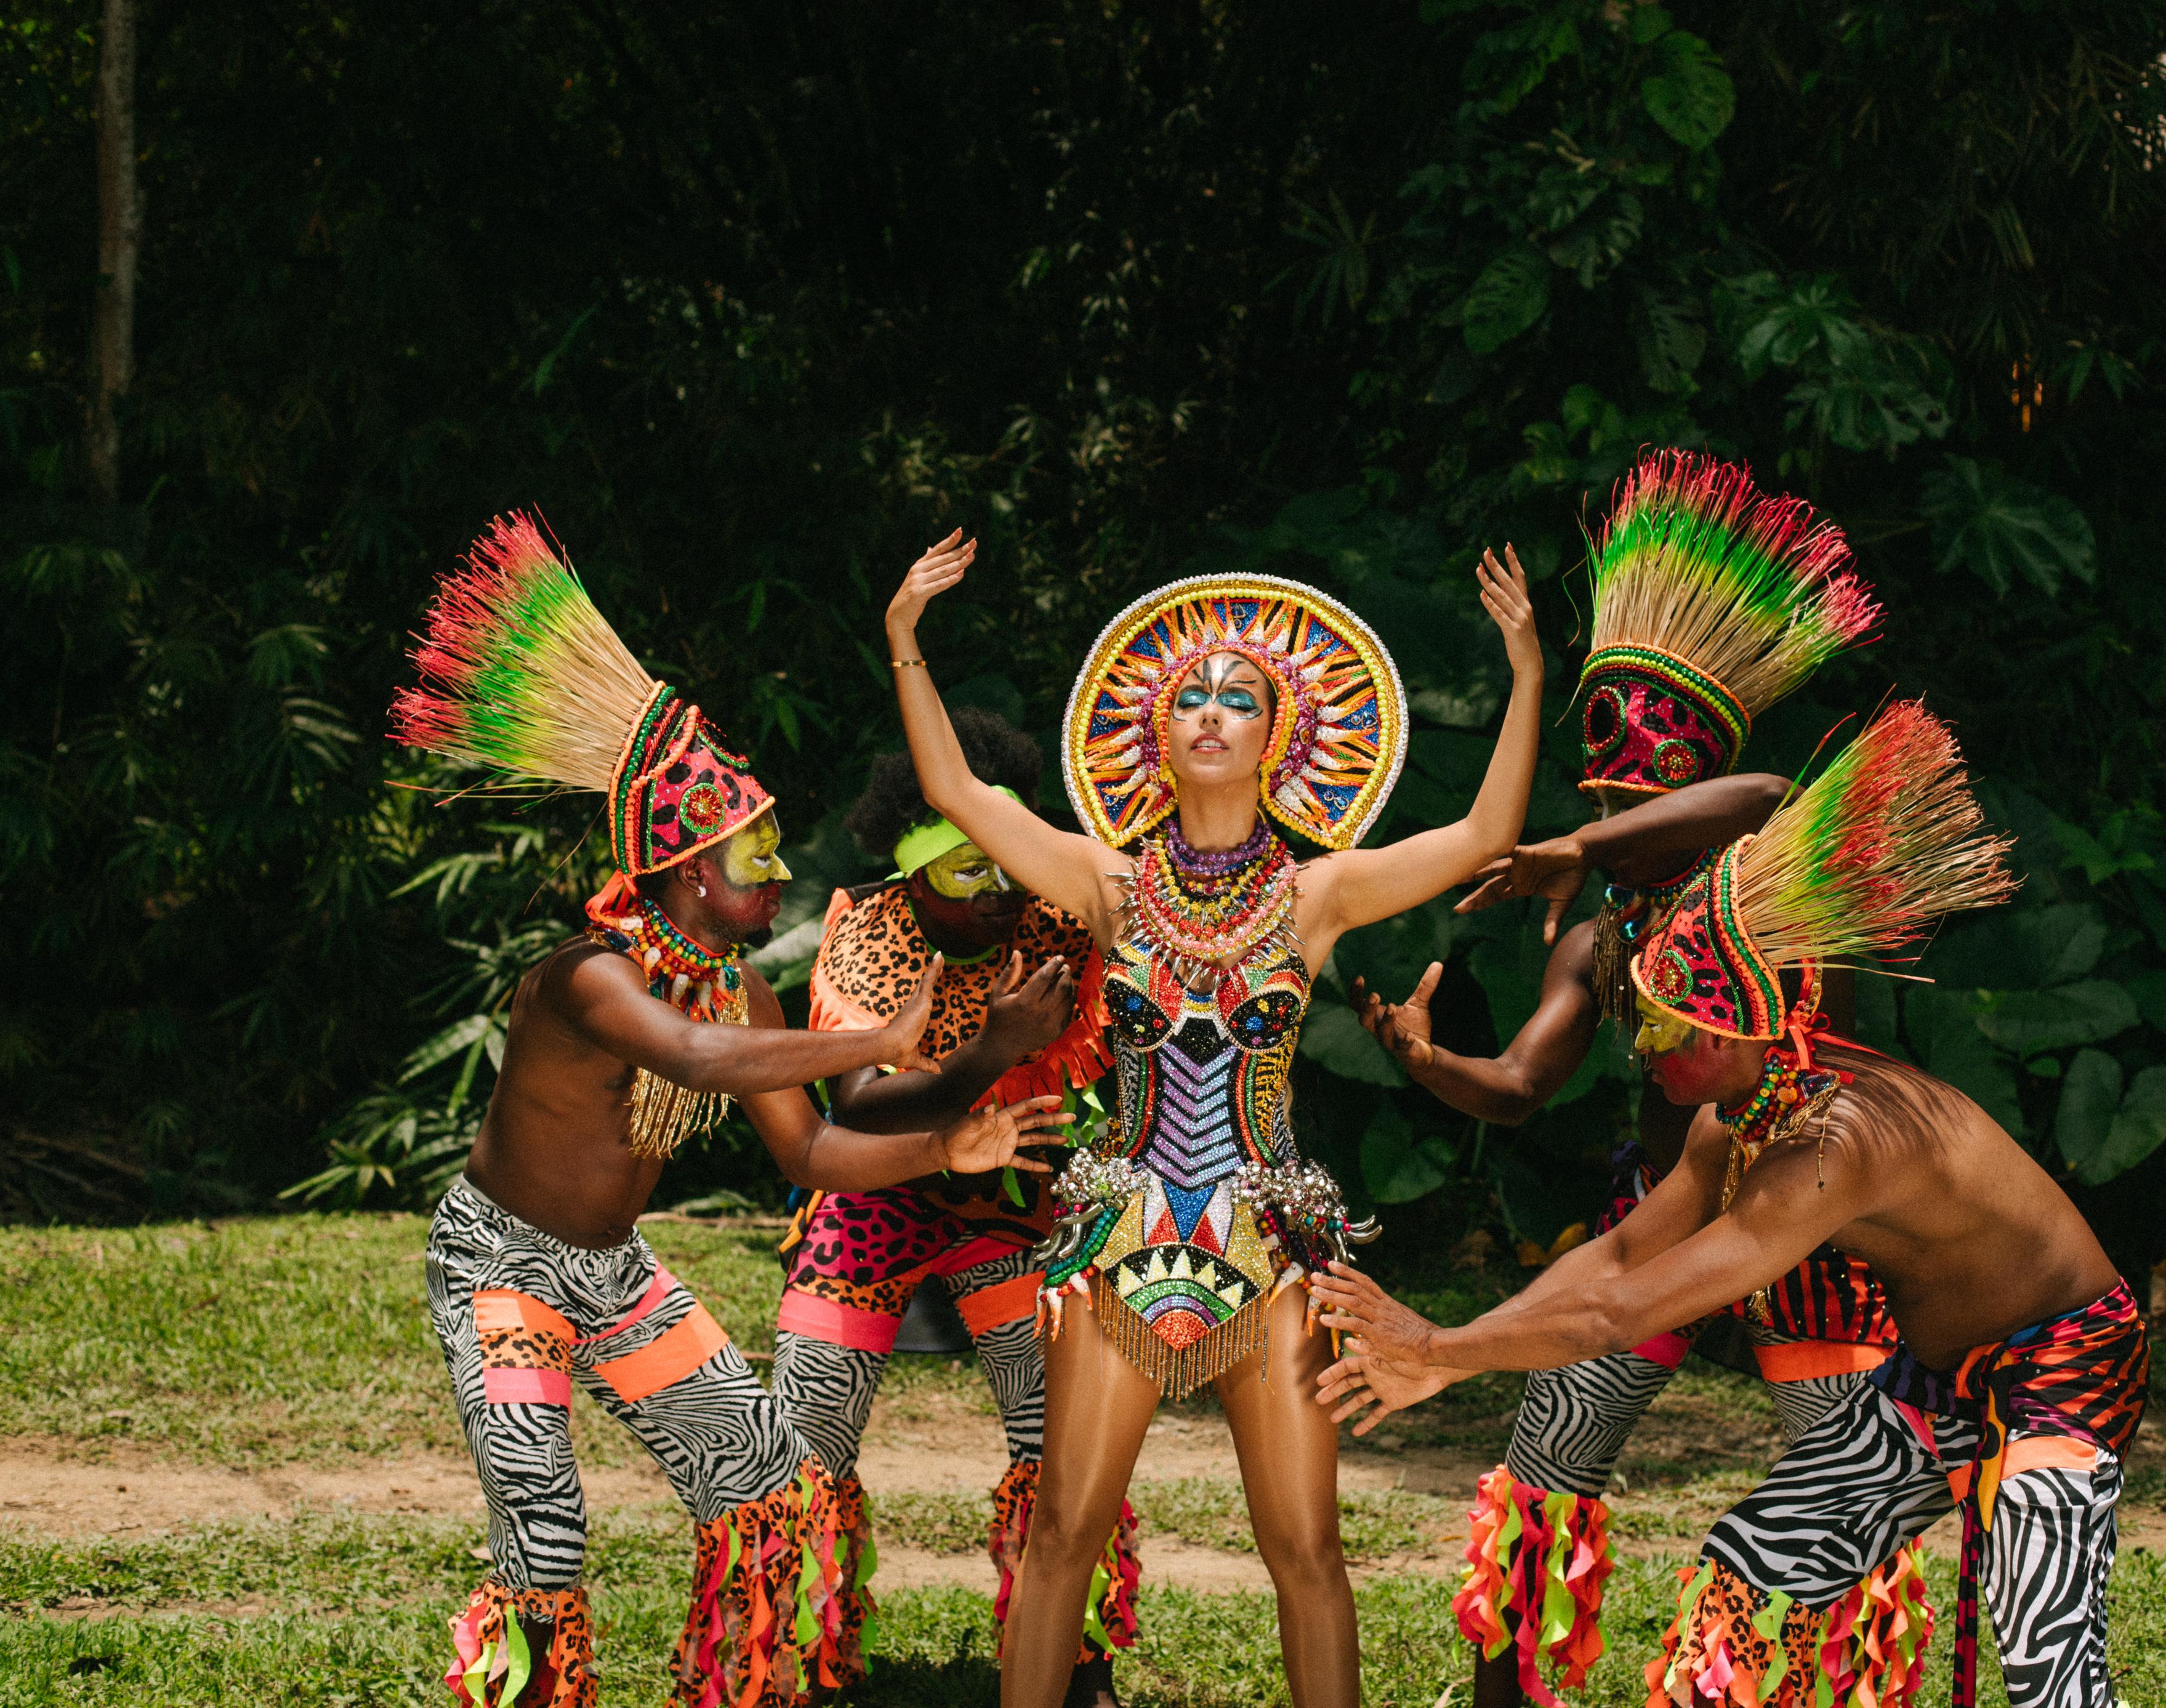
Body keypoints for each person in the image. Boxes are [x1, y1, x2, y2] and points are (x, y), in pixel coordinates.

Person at [1313, 703, 2150, 1708]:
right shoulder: (1734, 1114)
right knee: (1748, 1573)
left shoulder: (1832, 1144)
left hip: (2063, 1362)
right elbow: (1617, 1257)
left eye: (1667, 1032)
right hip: (1935, 1385)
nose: (1646, 1052)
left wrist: (1439, 1348)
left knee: (2048, 1668)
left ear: (1731, 1030)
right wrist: (1446, 1349)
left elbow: (1621, 1310)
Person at [391, 515, 1068, 1708]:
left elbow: (809, 1149)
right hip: (501, 1268)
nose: (780, 871)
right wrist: (882, 1041)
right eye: (756, 855)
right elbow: (696, 1058)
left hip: (615, 1272)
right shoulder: (587, 979)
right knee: (544, 1525)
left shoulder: (742, 988)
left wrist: (942, 1145)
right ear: (690, 868)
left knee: (766, 1486)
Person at [885, 531, 1544, 1708]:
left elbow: (1483, 839)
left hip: (1270, 1244)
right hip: (1122, 1240)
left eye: (1239, 698)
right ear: (1157, 729)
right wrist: (904, 636)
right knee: (1061, 1537)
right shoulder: (1107, 885)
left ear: (1275, 735)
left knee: (1309, 1550)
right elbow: (956, 794)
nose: (1210, 712)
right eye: (1190, 695)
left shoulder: (1317, 894)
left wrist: (1528, 668)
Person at [1347, 453, 1910, 1708]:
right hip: (1663, 1211)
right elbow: (1518, 1087)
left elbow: (1769, 790)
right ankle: (1504, 1698)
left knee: (1841, 1480)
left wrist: (1572, 844)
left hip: (1811, 1218)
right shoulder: (1602, 933)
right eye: (1597, 778)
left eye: (1627, 784)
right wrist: (1430, 1062)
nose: (1603, 785)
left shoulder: (1775, 881)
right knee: (1548, 1448)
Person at [778, 707, 1138, 1707]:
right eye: (965, 870)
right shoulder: (869, 928)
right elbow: (857, 1104)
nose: (997, 890)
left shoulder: (1059, 919)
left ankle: (1076, 1665)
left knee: (1056, 1437)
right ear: (913, 872)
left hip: (1010, 1202)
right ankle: (799, 1658)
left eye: (1005, 863)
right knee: (808, 1435)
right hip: (874, 1198)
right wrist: (993, 1050)